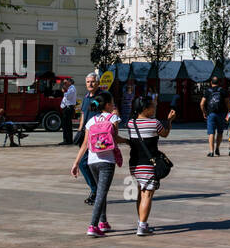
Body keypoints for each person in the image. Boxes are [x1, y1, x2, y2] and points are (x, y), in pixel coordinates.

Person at [71, 91, 126, 236]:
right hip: (107, 161)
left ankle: (103, 222)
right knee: (101, 193)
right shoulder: (113, 118)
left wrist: (76, 163)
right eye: (112, 102)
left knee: (102, 192)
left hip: (92, 161)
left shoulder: (91, 121)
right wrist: (128, 141)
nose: (114, 104)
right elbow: (115, 138)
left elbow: (84, 144)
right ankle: (93, 226)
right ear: (108, 104)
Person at [127, 94, 173, 236]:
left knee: (141, 192)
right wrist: (170, 120)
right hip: (149, 164)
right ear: (145, 109)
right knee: (147, 195)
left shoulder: (131, 123)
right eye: (152, 106)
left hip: (135, 164)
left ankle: (141, 222)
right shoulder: (154, 123)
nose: (154, 108)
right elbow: (164, 134)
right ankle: (142, 226)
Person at [75, 73, 101, 204]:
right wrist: (80, 131)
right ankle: (95, 189)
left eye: (92, 82)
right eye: (88, 82)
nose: (90, 84)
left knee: (94, 164)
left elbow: (111, 112)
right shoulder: (86, 97)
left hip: (98, 137)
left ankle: (97, 191)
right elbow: (83, 114)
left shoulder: (102, 97)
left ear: (98, 83)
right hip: (86, 136)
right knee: (83, 163)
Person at [200, 76, 229, 157]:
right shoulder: (223, 91)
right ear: (219, 83)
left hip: (211, 114)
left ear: (211, 82)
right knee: (220, 132)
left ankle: (211, 151)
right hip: (221, 114)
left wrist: (204, 112)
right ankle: (217, 148)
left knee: (211, 133)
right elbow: (227, 103)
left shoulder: (207, 91)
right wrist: (229, 112)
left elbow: (201, 104)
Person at [59, 79, 79, 145]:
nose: (64, 83)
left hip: (68, 108)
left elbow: (68, 97)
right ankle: (67, 140)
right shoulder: (69, 88)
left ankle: (68, 140)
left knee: (67, 125)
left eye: (66, 82)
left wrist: (64, 91)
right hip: (66, 108)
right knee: (66, 125)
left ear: (69, 82)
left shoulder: (72, 88)